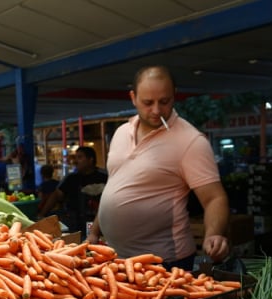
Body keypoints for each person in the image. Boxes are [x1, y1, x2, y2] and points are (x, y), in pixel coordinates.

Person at [88, 65, 230, 270]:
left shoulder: (190, 141)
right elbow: (114, 185)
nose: (156, 110)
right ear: (133, 97)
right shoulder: (120, 133)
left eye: (164, 101)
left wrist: (213, 234)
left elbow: (215, 198)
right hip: (116, 258)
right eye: (148, 102)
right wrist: (94, 231)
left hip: (166, 262)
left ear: (174, 96)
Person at [37, 146, 107, 238]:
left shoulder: (104, 177)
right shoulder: (71, 178)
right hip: (75, 224)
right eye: (76, 157)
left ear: (91, 159)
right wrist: (42, 214)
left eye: (80, 157)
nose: (76, 161)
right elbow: (56, 195)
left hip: (101, 223)